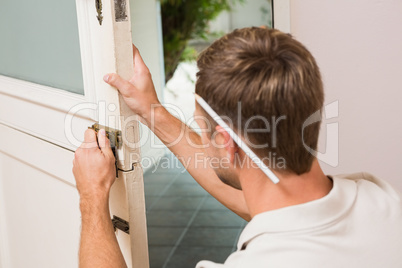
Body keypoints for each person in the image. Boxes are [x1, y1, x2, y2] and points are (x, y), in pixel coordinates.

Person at [72, 27, 402, 267]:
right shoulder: (381, 199)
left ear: (226, 142)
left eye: (202, 128)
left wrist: (92, 196)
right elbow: (266, 201)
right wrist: (151, 110)